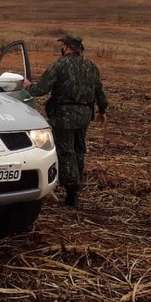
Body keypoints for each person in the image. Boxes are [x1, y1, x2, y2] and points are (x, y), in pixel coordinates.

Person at [24, 34, 109, 208]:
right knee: (79, 149)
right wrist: (102, 110)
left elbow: (41, 89)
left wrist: (27, 87)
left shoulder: (60, 65)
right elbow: (99, 90)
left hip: (64, 115)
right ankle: (76, 186)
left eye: (62, 45)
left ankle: (72, 193)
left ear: (67, 47)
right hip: (85, 114)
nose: (61, 48)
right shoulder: (91, 66)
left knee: (65, 152)